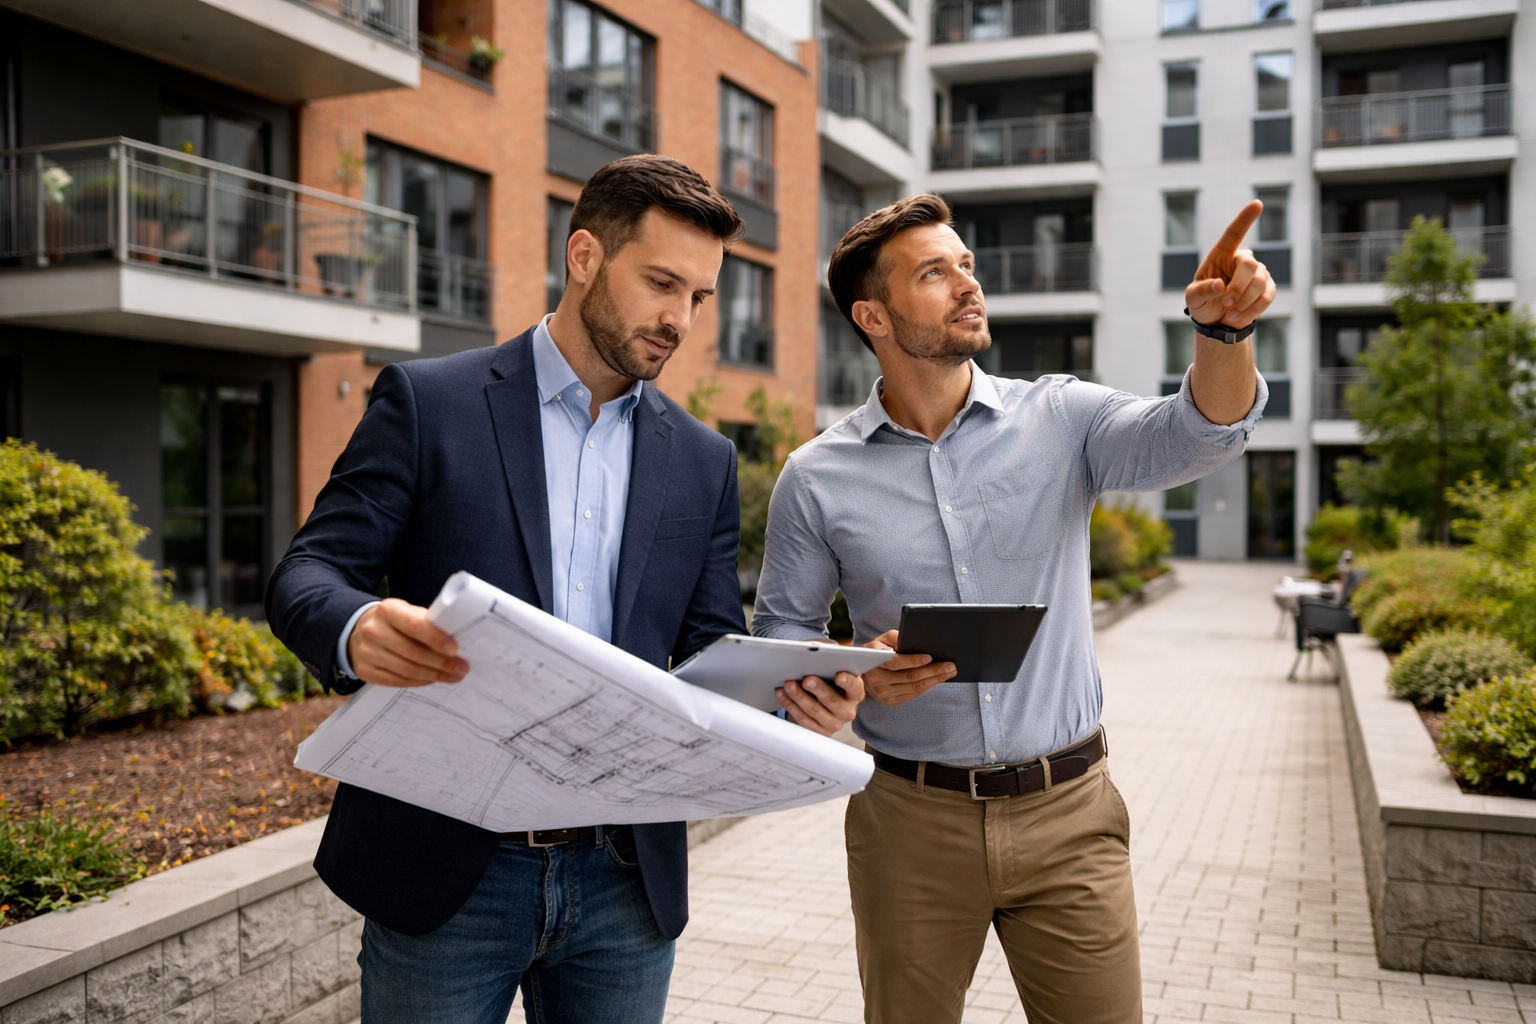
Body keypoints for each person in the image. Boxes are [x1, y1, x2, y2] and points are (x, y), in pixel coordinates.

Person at [265, 154, 862, 1024]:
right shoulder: (430, 402)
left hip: (625, 880)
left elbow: (706, 651)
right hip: (446, 868)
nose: (680, 319)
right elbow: (307, 573)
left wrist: (792, 697)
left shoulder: (704, 460)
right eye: (662, 283)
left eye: (699, 296)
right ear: (584, 256)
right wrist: (357, 626)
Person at [753, 193, 1273, 1024]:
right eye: (934, 273)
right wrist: (853, 677)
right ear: (872, 316)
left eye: (966, 264)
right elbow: (783, 637)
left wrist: (1224, 336)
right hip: (908, 824)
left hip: (1070, 816)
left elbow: (1196, 434)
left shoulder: (1061, 417)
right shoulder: (816, 476)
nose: (969, 283)